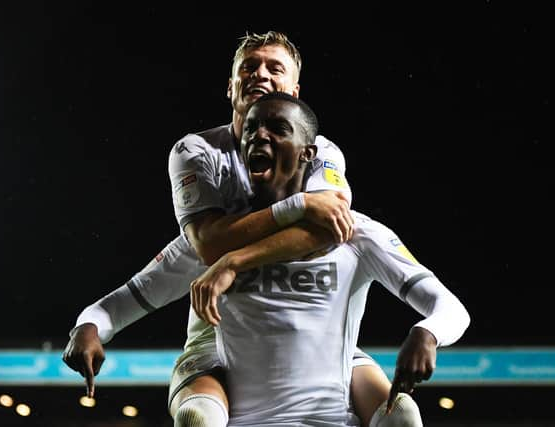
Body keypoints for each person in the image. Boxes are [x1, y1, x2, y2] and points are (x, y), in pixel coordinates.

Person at [63, 31, 421, 427]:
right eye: (248, 67)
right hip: (219, 341)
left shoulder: (324, 150)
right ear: (230, 86)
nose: (260, 75)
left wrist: (233, 260)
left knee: (400, 413)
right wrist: (299, 205)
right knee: (199, 417)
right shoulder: (197, 151)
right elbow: (206, 245)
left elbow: (333, 226)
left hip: (314, 344)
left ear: (296, 95)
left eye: (274, 67)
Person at [189, 91, 471, 426]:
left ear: (307, 153)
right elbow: (134, 296)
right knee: (195, 417)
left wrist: (426, 334)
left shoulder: (356, 233)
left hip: (330, 420)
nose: (259, 136)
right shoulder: (218, 240)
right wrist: (105, 327)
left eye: (277, 128)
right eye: (251, 129)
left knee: (403, 415)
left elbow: (452, 309)